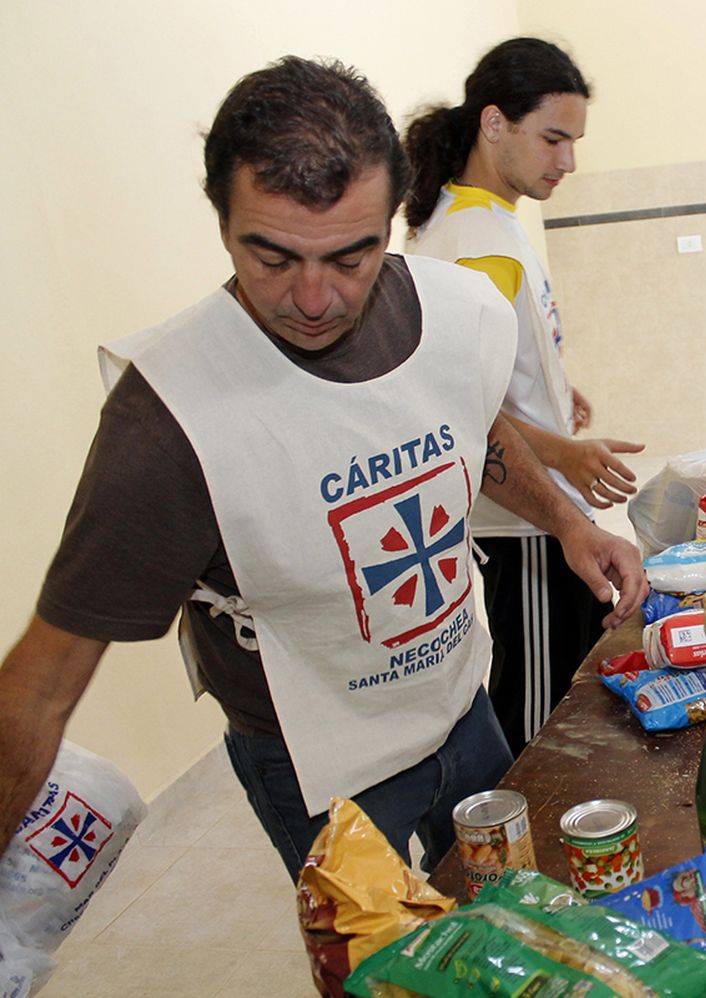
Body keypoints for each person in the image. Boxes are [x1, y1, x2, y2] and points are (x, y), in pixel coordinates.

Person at [0, 56, 646, 881]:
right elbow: (42, 684)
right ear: (221, 220)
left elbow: (476, 429)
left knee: (510, 910)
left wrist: (570, 524)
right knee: (374, 962)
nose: (313, 298)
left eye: (351, 257)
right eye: (270, 258)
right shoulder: (167, 418)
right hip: (313, 764)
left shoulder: (457, 312)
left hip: (459, 709)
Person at [403, 38, 643, 753]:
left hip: (539, 514)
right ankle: (518, 846)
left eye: (573, 142)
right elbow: (461, 407)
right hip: (525, 524)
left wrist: (554, 387)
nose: (567, 161)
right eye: (553, 139)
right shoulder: (473, 241)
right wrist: (563, 450)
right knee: (541, 718)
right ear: (493, 123)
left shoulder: (482, 219)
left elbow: (493, 368)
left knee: (557, 691)